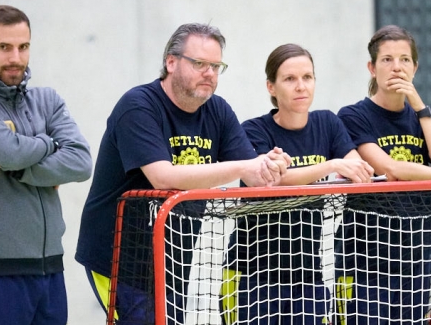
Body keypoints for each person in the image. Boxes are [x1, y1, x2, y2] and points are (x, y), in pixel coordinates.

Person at [75, 23, 292, 324]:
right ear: (171, 62)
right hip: (118, 257)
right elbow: (162, 177)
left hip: (172, 257)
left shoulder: (218, 111)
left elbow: (254, 174)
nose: (210, 73)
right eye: (200, 64)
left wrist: (271, 165)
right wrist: (246, 166)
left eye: (216, 66)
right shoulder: (138, 106)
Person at [0, 5, 93, 325]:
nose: (15, 57)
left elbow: (80, 162)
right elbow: (10, 152)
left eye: (23, 47)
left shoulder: (47, 100)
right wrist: (51, 144)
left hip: (51, 272)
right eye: (4, 47)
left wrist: (22, 166)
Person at [335, 24, 431, 324]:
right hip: (364, 255)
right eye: (387, 60)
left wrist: (419, 106)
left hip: (416, 252)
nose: (397, 68)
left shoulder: (426, 119)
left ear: (415, 67)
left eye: (405, 60)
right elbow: (389, 169)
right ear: (372, 67)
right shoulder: (353, 116)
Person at [222, 44, 374, 325]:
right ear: (271, 86)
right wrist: (331, 165)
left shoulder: (327, 123)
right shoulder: (254, 130)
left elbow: (357, 167)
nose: (301, 86)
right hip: (251, 274)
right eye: (290, 79)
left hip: (308, 273)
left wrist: (348, 167)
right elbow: (270, 179)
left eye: (307, 77)